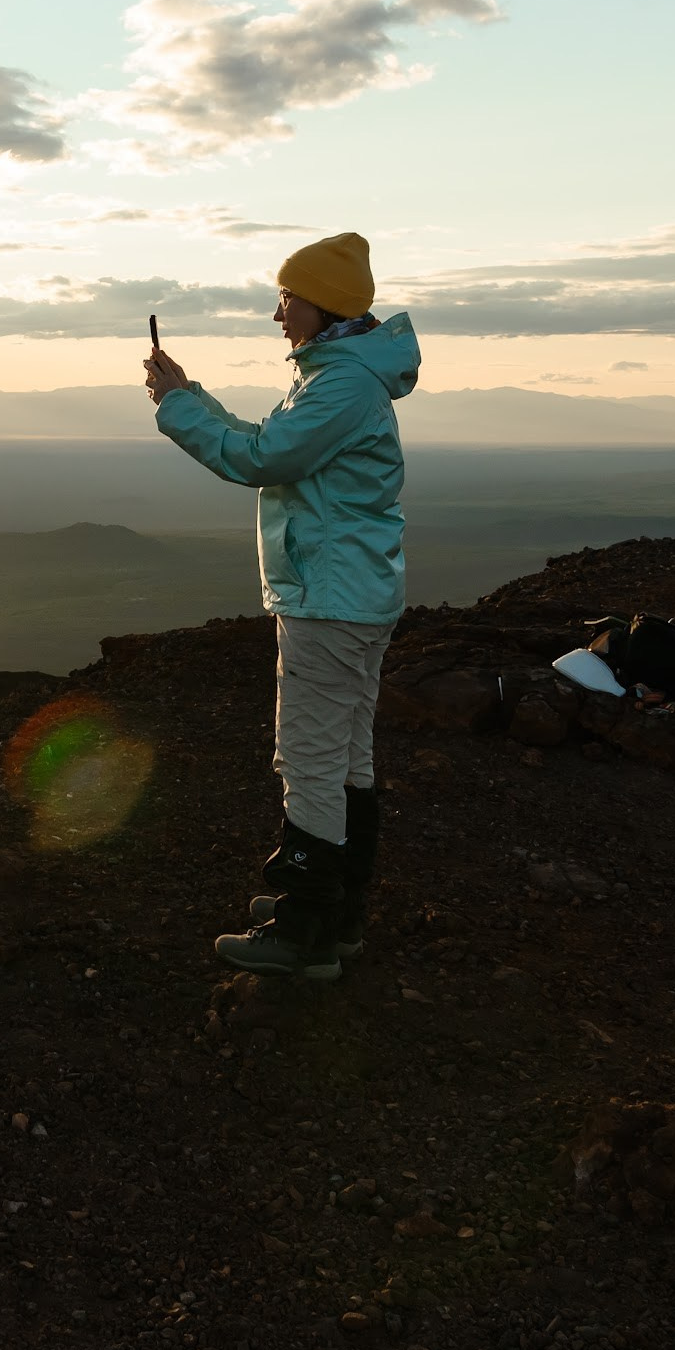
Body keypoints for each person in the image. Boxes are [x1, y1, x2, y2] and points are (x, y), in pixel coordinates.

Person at [143, 232, 421, 979]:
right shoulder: (339, 375)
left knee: (311, 758)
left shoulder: (341, 386)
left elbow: (261, 459)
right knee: (346, 756)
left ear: (322, 303)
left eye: (287, 298)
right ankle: (337, 909)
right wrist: (188, 396)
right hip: (351, 593)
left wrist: (175, 411)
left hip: (330, 601)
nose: (277, 313)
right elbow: (269, 440)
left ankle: (306, 933)